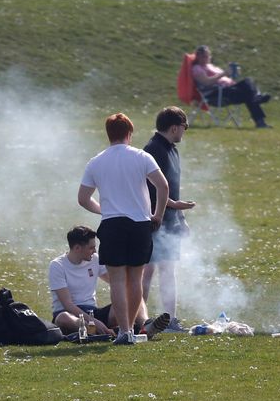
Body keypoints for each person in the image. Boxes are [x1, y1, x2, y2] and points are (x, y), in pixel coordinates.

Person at [78, 113, 169, 345]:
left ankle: (125, 331)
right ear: (129, 133)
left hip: (112, 224)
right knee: (135, 280)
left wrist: (103, 210)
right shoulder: (142, 156)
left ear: (108, 134)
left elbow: (83, 198)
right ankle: (136, 328)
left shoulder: (96, 161)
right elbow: (162, 185)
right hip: (140, 223)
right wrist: (157, 215)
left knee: (117, 280)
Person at [49, 225, 171, 339]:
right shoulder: (57, 266)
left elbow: (118, 282)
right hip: (70, 314)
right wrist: (95, 323)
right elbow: (68, 305)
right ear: (77, 248)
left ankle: (145, 325)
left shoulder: (94, 259)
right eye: (91, 247)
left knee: (130, 294)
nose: (94, 251)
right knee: (63, 318)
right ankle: (100, 331)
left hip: (93, 312)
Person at [142, 106, 196, 333]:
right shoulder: (154, 150)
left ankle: (168, 318)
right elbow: (153, 191)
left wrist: (180, 218)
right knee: (149, 271)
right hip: (155, 221)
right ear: (174, 127)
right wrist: (169, 212)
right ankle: (145, 319)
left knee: (163, 270)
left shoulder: (172, 150)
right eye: (183, 128)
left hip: (170, 220)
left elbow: (173, 188)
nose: (184, 132)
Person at [191, 45, 272, 129]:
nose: (206, 58)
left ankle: (259, 116)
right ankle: (259, 115)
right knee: (248, 90)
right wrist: (223, 74)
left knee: (249, 86)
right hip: (215, 93)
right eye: (203, 56)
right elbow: (206, 82)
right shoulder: (197, 68)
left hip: (227, 89)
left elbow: (225, 78)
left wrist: (233, 74)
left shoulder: (212, 67)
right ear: (198, 57)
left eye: (208, 56)